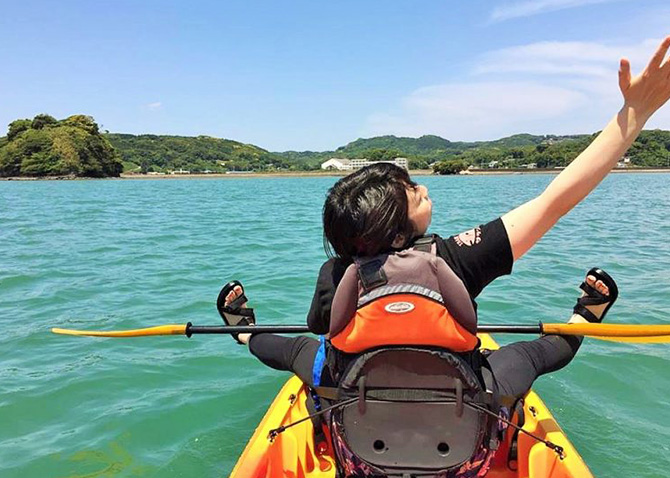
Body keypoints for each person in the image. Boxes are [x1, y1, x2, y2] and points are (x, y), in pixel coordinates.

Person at [219, 35, 670, 474]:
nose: (424, 187)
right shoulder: (454, 258)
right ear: (395, 229)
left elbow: (321, 335)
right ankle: (584, 319)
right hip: (464, 455)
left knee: (297, 351)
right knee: (537, 355)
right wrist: (636, 112)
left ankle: (243, 332)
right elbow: (555, 199)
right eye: (412, 190)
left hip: (360, 456)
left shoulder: (335, 273)